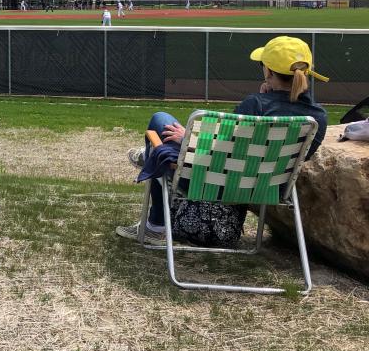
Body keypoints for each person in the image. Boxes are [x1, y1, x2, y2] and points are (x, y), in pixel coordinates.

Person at [117, 36, 328, 246]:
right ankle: (148, 156)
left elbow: (219, 154)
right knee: (164, 142)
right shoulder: (316, 119)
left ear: (269, 72)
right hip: (268, 189)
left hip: (208, 183)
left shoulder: (254, 105)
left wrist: (188, 140)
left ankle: (155, 225)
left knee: (160, 120)